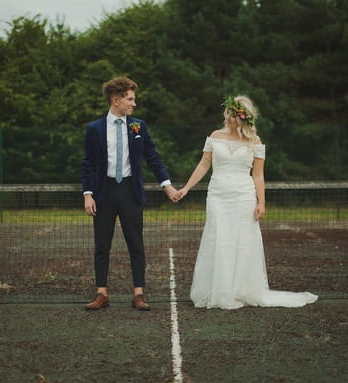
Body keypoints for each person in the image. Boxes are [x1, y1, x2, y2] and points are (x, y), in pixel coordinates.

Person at [176, 95, 318, 309]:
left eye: (232, 114)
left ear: (243, 117)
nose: (227, 117)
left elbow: (258, 175)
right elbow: (204, 165)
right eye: (227, 112)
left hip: (243, 195)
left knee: (242, 242)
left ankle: (239, 290)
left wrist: (262, 202)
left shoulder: (255, 142)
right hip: (217, 195)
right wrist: (186, 188)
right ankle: (217, 290)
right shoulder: (215, 136)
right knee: (219, 238)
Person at [82, 76, 179, 311]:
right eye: (130, 99)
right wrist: (88, 194)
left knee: (136, 244)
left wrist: (166, 185)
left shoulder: (138, 126)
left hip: (130, 191)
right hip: (103, 193)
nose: (134, 104)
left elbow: (152, 157)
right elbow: (88, 163)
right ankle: (101, 294)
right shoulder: (94, 129)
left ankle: (138, 294)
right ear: (116, 100)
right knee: (102, 245)